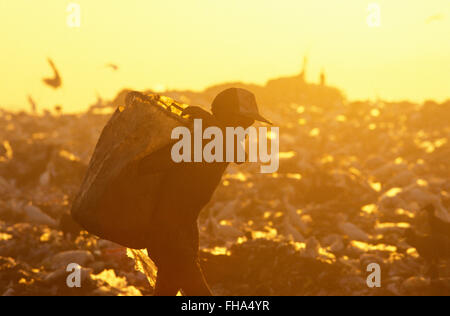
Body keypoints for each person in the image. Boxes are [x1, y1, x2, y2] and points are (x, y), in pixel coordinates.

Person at [139, 88, 270, 295]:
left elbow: (239, 154)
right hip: (168, 229)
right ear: (229, 116)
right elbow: (149, 165)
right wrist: (210, 125)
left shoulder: (217, 138)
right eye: (244, 121)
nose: (248, 127)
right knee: (195, 290)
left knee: (168, 287)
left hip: (184, 227)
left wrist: (211, 123)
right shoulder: (201, 139)